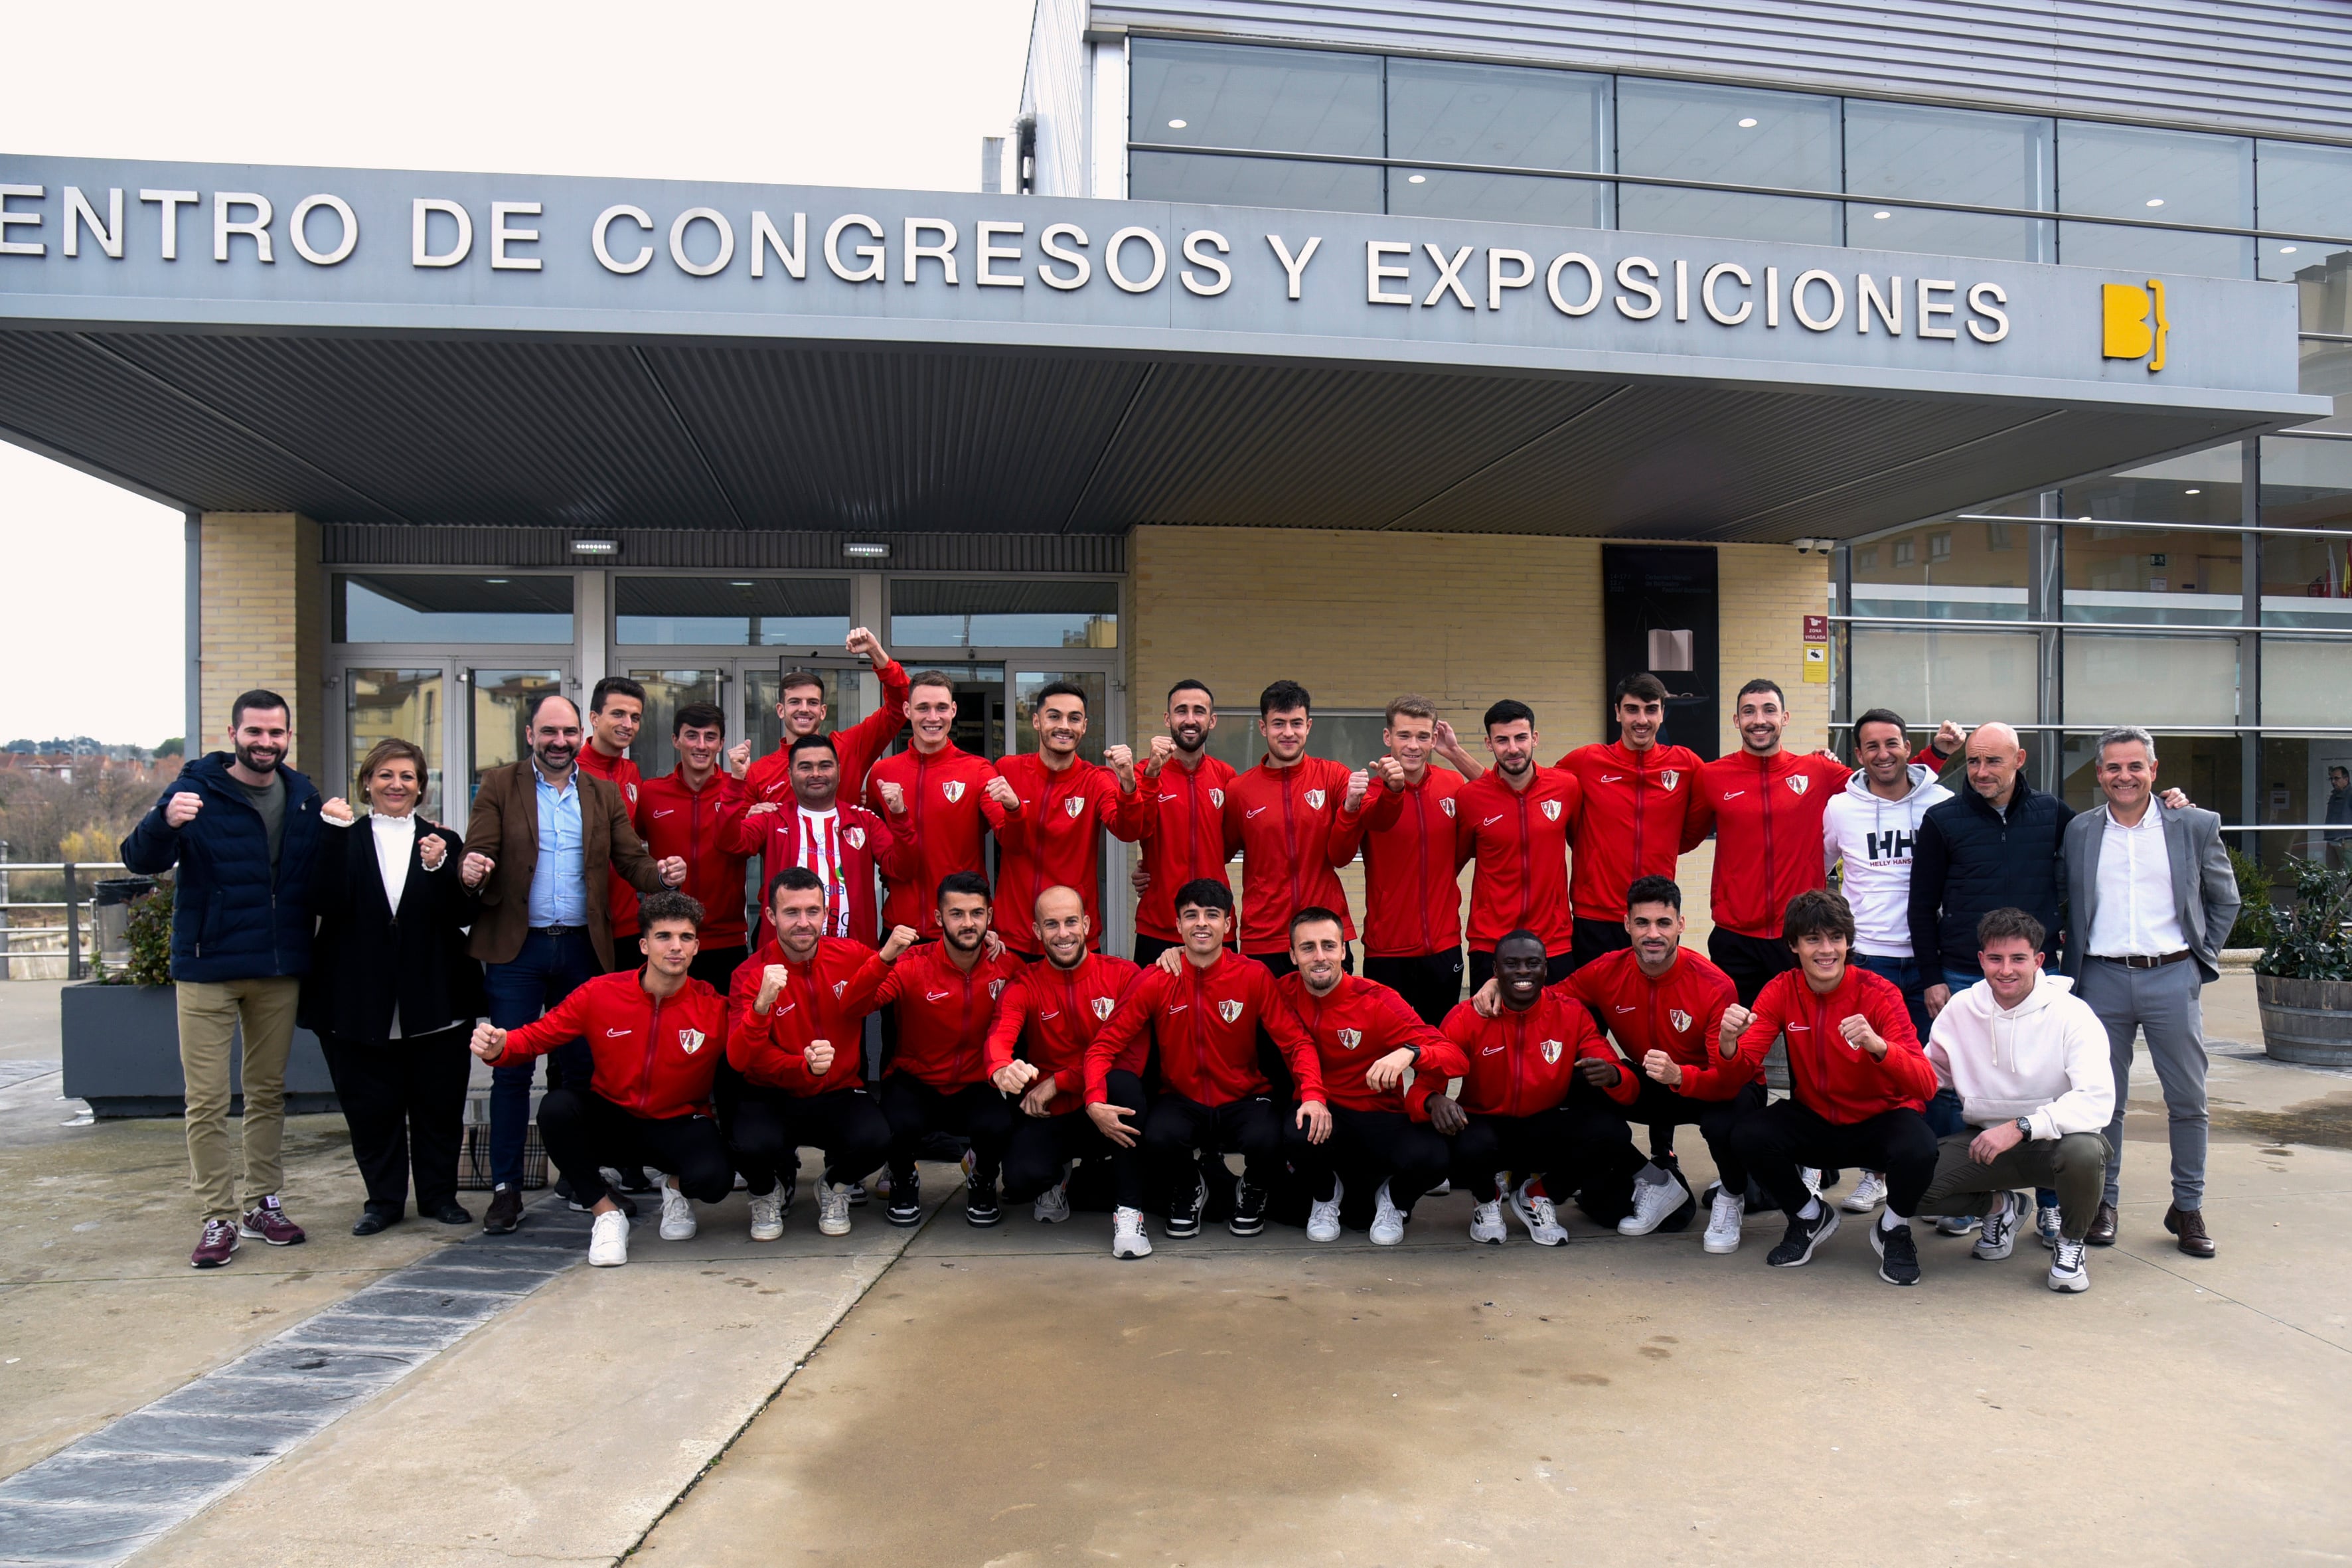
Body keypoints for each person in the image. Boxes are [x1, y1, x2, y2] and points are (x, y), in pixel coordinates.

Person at [459, 692, 686, 1235]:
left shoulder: (601, 793)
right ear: (530, 734)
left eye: (566, 733)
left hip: (584, 949)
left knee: (589, 1072)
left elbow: (631, 860)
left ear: (578, 734)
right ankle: (506, 1188)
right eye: (548, 733)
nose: (558, 743)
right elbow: (482, 850)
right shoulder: (498, 785)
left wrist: (663, 876)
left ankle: (587, 1183)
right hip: (518, 949)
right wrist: (473, 869)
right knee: (510, 1066)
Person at [121, 690, 331, 1269]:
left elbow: (322, 873)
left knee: (266, 1093)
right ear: (234, 733)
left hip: (277, 966)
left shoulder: (303, 796)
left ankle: (262, 1203)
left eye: (276, 733)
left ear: (288, 738)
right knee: (208, 1099)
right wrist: (164, 822)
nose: (265, 742)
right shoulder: (195, 789)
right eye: (255, 732)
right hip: (208, 965)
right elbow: (139, 859)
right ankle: (217, 1216)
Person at [466, 892, 733, 1268]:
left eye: (685, 938)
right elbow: (540, 1034)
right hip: (614, 1119)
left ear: (696, 947)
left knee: (715, 1181)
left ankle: (674, 1187)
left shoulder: (713, 1005)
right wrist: (501, 1047)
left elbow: (753, 1045)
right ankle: (606, 1214)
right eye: (664, 937)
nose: (675, 947)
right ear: (644, 944)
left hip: (677, 1122)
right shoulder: (601, 993)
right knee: (557, 1109)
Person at [2062, 726, 2238, 1259]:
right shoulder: (2079, 831)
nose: (2124, 776)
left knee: (2187, 1100)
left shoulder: (2193, 825)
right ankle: (2102, 1204)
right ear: (2099, 775)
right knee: (2101, 1102)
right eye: (2113, 767)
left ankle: (2187, 1206)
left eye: (2134, 766)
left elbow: (2223, 900)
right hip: (2100, 979)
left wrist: (2198, 961)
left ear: (2153, 771)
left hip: (2171, 974)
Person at [301, 738, 482, 1235]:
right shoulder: (341, 835)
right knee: (371, 1109)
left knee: (439, 1107)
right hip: (358, 1001)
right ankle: (382, 1202)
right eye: (385, 775)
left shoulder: (442, 841)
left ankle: (439, 1197)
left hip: (436, 1000)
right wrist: (334, 835)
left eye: (407, 776)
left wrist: (440, 867)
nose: (396, 785)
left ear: (421, 786)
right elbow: (324, 900)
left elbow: (466, 914)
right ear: (366, 783)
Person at [1086, 880, 1328, 1242]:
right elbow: (1102, 1047)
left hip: (1244, 1098)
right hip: (1182, 1099)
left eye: (1212, 915)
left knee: (1269, 1137)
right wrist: (1092, 1099)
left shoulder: (1253, 976)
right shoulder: (1157, 979)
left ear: (1228, 924)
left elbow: (1297, 1043)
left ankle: (1254, 1188)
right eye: (1192, 915)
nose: (1202, 923)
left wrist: (1313, 1094)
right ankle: (1189, 1185)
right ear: (1178, 924)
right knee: (1157, 1135)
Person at [1727, 890, 1940, 1285]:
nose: (1827, 950)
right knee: (1745, 1134)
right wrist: (1727, 1044)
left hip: (1878, 1122)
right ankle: (1809, 1217)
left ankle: (1894, 1228)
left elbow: (1926, 1085)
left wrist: (1879, 1047)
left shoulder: (1879, 993)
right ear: (1794, 945)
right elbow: (1739, 1070)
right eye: (1813, 939)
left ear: (1848, 942)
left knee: (1921, 1147)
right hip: (1816, 1119)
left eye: (1836, 938)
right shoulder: (1781, 990)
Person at [1918, 908, 2116, 1293]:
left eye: (2018, 959)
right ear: (1981, 960)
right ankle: (2001, 1209)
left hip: (2053, 1145)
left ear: (2039, 960)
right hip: (1985, 1145)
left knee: (2086, 1152)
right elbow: (1930, 1075)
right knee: (1912, 1187)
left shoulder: (2073, 1015)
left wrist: (2022, 1127)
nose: (2005, 970)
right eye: (1995, 959)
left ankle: (2071, 1242)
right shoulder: (1961, 1009)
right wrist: (1877, 1061)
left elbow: (2097, 1100)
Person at [1557, 876, 1755, 1251]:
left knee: (1728, 1116)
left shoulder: (1714, 985)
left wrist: (1681, 1076)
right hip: (1652, 1082)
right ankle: (1652, 1179)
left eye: (1663, 923)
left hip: (1711, 1085)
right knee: (1578, 1084)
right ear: (1627, 924)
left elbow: (1726, 1080)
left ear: (1681, 925)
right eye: (1643, 923)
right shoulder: (1606, 970)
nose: (1653, 934)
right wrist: (1497, 986)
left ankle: (1732, 1196)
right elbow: (1551, 1001)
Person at [724, 868, 919, 1239]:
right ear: (770, 917)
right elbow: (740, 1059)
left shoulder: (849, 955)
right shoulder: (750, 974)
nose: (803, 923)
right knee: (746, 1143)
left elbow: (911, 967)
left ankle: (834, 1185)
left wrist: (972, 945)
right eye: (791, 912)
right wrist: (764, 1008)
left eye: (813, 911)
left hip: (837, 1090)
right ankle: (769, 1189)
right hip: (773, 1093)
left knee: (878, 1138)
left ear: (826, 913)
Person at [1415, 929, 1643, 1245]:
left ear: (1545, 969)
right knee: (1461, 1136)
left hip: (1544, 1124)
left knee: (1613, 1133)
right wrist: (1434, 1100)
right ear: (1495, 971)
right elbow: (1423, 1087)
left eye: (1533, 963)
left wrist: (1614, 1076)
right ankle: (1486, 1200)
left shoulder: (1571, 1013)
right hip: (1486, 1126)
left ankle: (1538, 1196)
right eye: (1512, 963)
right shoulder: (1467, 1017)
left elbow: (1626, 1085)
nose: (1523, 971)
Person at [1822, 707, 1954, 1218]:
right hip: (1869, 959)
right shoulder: (1840, 808)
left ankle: (1939, 1179)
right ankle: (1875, 1175)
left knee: (1932, 1071)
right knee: (1872, 1071)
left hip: (1926, 961)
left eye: (1892, 743)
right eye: (1872, 746)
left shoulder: (1939, 804)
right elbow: (1818, 869)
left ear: (1908, 746)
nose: (1883, 754)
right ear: (1859, 755)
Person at [1274, 908, 1465, 1245]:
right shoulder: (1280, 994)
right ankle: (1325, 1194)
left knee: (1437, 1157)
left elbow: (1455, 1057)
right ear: (1292, 955)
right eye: (1308, 948)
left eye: (1329, 946)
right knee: (1295, 1131)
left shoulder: (1376, 1000)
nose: (1320, 957)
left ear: (1344, 951)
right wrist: (1176, 954)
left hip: (1379, 1118)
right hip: (1324, 1118)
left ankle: (1394, 1200)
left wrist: (1411, 1053)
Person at [986, 885, 1152, 1255]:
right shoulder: (1026, 983)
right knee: (1020, 1176)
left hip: (1106, 1108)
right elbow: (1002, 1032)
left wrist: (1057, 1081)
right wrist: (1000, 1067)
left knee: (1125, 1085)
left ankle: (1129, 1212)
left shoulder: (1124, 976)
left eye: (1071, 922)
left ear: (1088, 924)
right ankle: (1057, 1177)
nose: (1063, 933)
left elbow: (1130, 1054)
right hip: (1054, 1115)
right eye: (1052, 924)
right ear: (1036, 931)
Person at [1680, 679, 1851, 1006]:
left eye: (1769, 710)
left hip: (1801, 933)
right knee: (1739, 1041)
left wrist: (1937, 755)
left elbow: (1883, 785)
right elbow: (1683, 838)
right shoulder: (1712, 776)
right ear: (1736, 721)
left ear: (1785, 717)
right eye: (1749, 711)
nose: (1759, 720)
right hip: (1736, 937)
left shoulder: (1817, 770)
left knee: (1806, 1041)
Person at [873, 872, 1026, 1227]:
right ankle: (903, 1178)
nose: (968, 923)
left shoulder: (1008, 965)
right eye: (956, 914)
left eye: (977, 913)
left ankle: (982, 1178)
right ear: (939, 919)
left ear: (990, 916)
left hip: (976, 1081)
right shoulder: (912, 963)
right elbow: (859, 1004)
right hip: (917, 1078)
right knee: (892, 1123)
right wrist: (884, 957)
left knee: (1001, 1123)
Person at [1330, 694, 1478, 1026]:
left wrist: (1455, 753)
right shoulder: (1370, 791)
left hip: (1444, 947)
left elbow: (1497, 795)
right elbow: (1339, 857)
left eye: (1423, 737)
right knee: (1386, 1055)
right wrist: (1353, 807)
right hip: (1388, 952)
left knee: (1439, 1050)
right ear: (1387, 738)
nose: (1413, 746)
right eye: (1404, 736)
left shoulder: (1452, 784)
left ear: (1433, 740)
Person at [1554, 674, 1709, 972]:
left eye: (1651, 709)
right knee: (1592, 1015)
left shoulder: (1686, 764)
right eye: (1632, 709)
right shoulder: (1586, 761)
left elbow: (1693, 830)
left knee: (1653, 1011)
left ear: (1663, 713)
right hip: (1596, 916)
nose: (1642, 719)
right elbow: (1533, 789)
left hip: (1654, 917)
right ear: (1617, 712)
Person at [988, 681, 1153, 959]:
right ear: (1037, 721)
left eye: (1074, 718)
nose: (1064, 725)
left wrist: (1128, 783)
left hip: (1075, 939)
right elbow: (1008, 842)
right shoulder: (1008, 770)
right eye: (1054, 716)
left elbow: (1128, 830)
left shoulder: (1096, 779)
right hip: (1013, 937)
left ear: (1085, 726)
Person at [727, 734, 918, 949]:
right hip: (787, 959)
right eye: (806, 767)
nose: (816, 774)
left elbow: (903, 869)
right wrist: (736, 783)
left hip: (853, 955)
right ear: (790, 775)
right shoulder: (772, 818)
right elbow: (731, 844)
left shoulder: (864, 820)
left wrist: (900, 816)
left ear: (838, 769)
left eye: (825, 766)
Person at [1221, 680, 1358, 976]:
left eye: (1296, 723)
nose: (1288, 733)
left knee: (1332, 1020)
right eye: (1278, 724)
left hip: (1325, 934)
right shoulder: (1239, 790)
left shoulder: (1333, 777)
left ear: (1308, 726)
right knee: (1269, 1023)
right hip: (1265, 937)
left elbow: (1346, 852)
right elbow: (1215, 851)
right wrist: (1154, 868)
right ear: (1262, 727)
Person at [864, 671, 1010, 943]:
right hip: (900, 927)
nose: (933, 717)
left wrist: (1014, 809)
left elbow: (1008, 835)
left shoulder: (978, 770)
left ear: (953, 710)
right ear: (907, 710)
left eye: (942, 708)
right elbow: (874, 839)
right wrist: (888, 873)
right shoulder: (882, 773)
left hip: (959, 928)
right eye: (923, 708)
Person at [1454, 700, 1582, 989]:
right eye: (1502, 740)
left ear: (1534, 738)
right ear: (1489, 743)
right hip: (1490, 940)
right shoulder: (1469, 798)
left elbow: (1584, 847)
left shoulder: (1566, 787)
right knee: (1491, 1029)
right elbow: (1451, 863)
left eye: (1521, 737)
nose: (1513, 748)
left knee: (1555, 1028)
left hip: (1554, 939)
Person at [741, 627, 911, 824]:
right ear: (781, 710)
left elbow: (902, 705)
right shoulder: (759, 772)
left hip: (847, 855)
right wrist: (749, 820)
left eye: (812, 703)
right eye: (795, 702)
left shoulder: (849, 747)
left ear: (823, 711)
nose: (804, 709)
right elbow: (738, 842)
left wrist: (875, 652)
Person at [637, 702, 753, 989]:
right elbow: (632, 853)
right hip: (666, 936)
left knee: (724, 1027)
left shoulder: (740, 789)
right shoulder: (651, 792)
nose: (701, 745)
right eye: (692, 735)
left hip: (727, 937)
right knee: (665, 1025)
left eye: (710, 737)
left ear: (721, 743)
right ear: (676, 740)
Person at [1131, 679, 1237, 965]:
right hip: (1159, 923)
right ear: (1168, 718)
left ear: (1212, 720)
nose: (1190, 720)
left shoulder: (1227, 777)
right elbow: (1135, 829)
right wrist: (1153, 868)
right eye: (1181, 711)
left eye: (1199, 711)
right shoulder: (1145, 771)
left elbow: (1229, 844)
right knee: (1155, 1010)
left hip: (1216, 922)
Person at [578, 675, 647, 957]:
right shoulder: (570, 771)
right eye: (618, 714)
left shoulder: (631, 772)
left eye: (635, 717)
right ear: (595, 717)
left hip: (629, 922)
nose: (627, 724)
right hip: (583, 925)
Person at [2324, 764, 2350, 862]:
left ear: (2346, 779)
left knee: (2348, 873)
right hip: (2332, 839)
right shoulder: (2334, 795)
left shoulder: (2350, 795)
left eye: (2337, 778)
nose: (2333, 782)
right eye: (2331, 779)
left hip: (2346, 841)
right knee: (2332, 874)